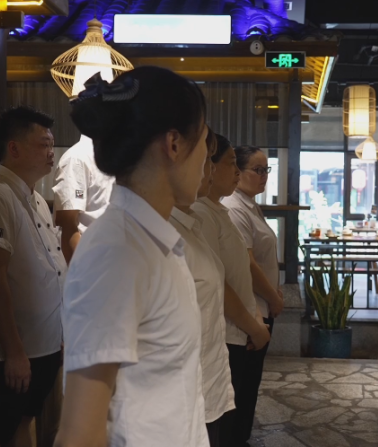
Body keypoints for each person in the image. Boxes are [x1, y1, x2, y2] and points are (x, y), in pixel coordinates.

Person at [54, 67, 210, 447]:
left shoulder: (149, 239)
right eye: (204, 140)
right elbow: (78, 434)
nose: (207, 156)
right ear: (174, 144)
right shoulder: (117, 252)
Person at [0, 107, 66, 447]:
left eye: (52, 144)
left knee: (25, 423)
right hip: (16, 350)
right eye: (43, 144)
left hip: (45, 343)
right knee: (5, 430)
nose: (51, 152)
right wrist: (13, 351)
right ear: (14, 148)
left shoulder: (37, 197)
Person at [191, 135, 270, 446]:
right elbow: (219, 283)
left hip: (239, 329)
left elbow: (235, 276)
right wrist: (254, 325)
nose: (236, 172)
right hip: (228, 331)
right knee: (226, 423)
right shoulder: (202, 213)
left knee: (236, 412)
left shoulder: (217, 210)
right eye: (231, 164)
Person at [169, 129, 235, 447]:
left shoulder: (191, 223)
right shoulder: (159, 235)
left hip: (209, 385)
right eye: (206, 159)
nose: (209, 170)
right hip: (182, 403)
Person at [221, 146, 283, 446]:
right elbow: (247, 264)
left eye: (266, 169)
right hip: (250, 309)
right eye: (257, 170)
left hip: (262, 305)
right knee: (241, 386)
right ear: (237, 171)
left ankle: (241, 438)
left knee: (250, 384)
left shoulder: (249, 204)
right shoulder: (233, 208)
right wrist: (274, 297)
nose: (264, 176)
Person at [52, 133, 113, 263]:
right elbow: (68, 226)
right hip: (92, 263)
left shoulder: (112, 159)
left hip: (113, 261)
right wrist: (83, 271)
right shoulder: (76, 158)